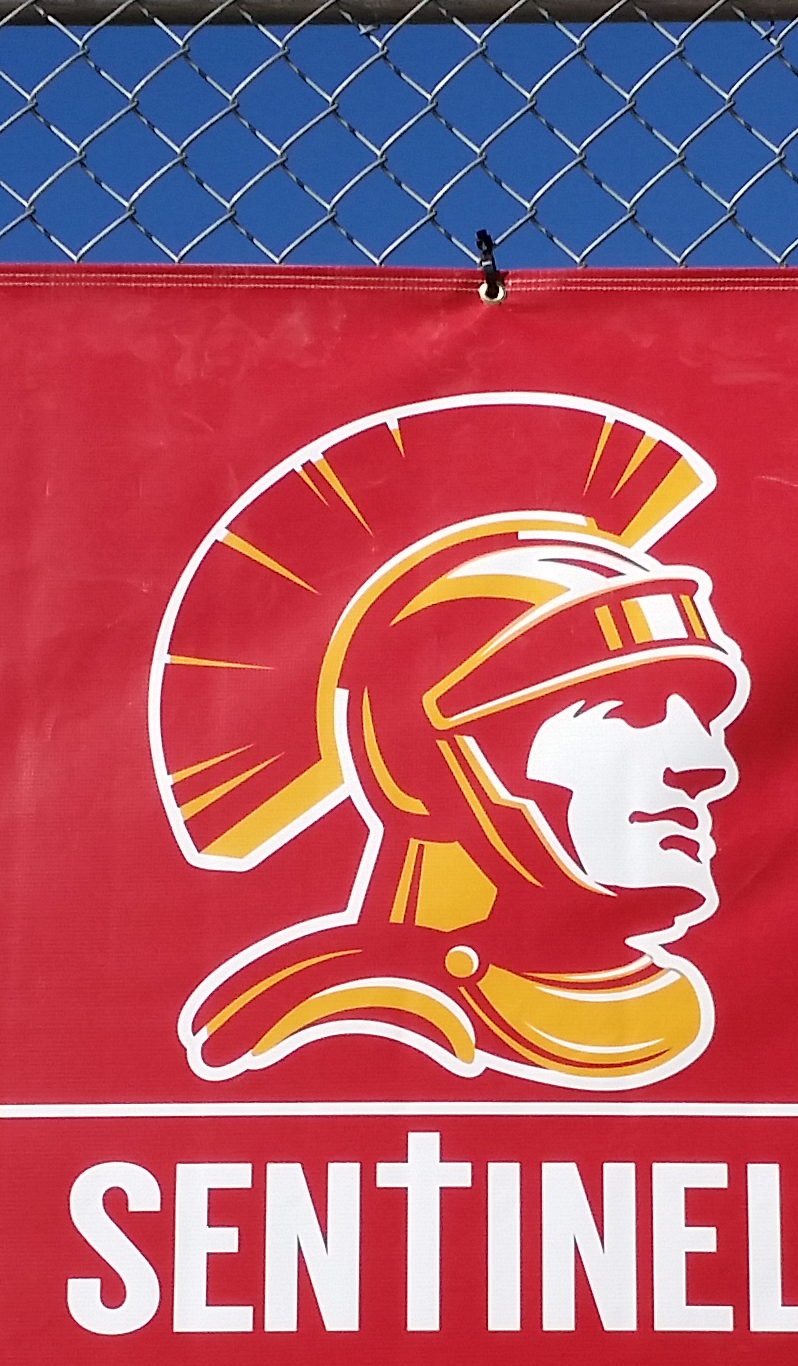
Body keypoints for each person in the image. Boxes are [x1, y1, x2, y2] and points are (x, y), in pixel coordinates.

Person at [153, 396, 751, 1090]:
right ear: (419, 767)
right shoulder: (358, 1037)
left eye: (702, 713)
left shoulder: (726, 1019)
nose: (708, 765)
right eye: (625, 709)